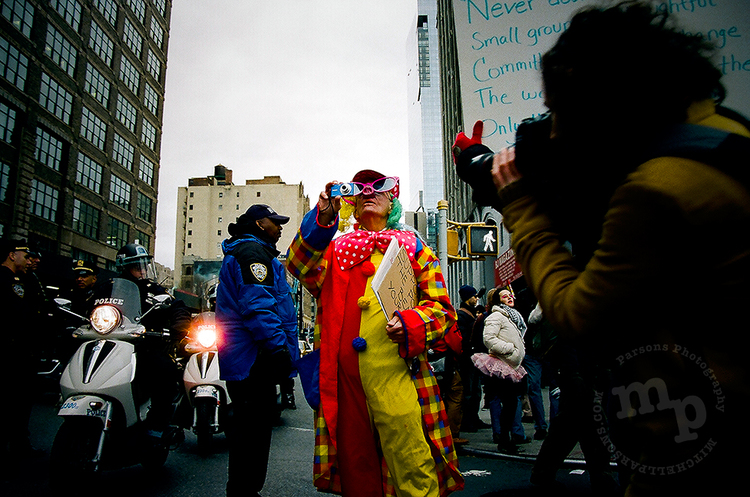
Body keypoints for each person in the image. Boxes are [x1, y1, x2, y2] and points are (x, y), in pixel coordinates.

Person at [454, 1, 750, 495]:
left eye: (558, 110)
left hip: (693, 445)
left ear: (602, 103)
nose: (554, 129)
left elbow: (578, 316)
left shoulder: (656, 189)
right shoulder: (722, 133)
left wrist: (521, 209)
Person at [286, 170, 463, 496]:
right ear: (351, 200)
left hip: (398, 374)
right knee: (357, 467)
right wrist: (323, 219)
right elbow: (298, 265)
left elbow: (443, 312)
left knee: (411, 458)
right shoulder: (336, 248)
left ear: (392, 199)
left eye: (379, 186)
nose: (370, 192)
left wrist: (413, 324)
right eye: (361, 187)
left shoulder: (415, 249)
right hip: (345, 381)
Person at [215, 204, 298, 497]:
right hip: (254, 360)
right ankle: (244, 492)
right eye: (275, 222)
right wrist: (278, 350)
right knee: (253, 434)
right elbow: (259, 307)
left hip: (249, 359)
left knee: (251, 432)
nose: (279, 227)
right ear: (260, 223)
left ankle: (244, 490)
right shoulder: (253, 254)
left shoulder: (253, 252)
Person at [115, 243, 191, 443]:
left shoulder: (153, 290)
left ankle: (158, 424)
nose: (141, 270)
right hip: (114, 347)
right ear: (123, 267)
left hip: (145, 347)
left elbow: (178, 307)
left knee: (166, 371)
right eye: (136, 266)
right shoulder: (109, 288)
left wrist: (179, 325)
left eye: (143, 265)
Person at [472, 288, 527, 454]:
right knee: (509, 404)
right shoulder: (497, 316)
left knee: (511, 404)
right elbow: (488, 339)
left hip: (511, 365)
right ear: (498, 300)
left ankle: (506, 439)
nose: (509, 298)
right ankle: (504, 440)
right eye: (505, 296)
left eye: (510, 295)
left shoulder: (510, 316)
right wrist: (510, 349)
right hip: (502, 366)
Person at [0, 238, 38, 467]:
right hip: (8, 351)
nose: (28, 259)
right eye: (24, 254)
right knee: (7, 401)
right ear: (12, 255)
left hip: (22, 351)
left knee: (21, 401)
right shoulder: (2, 279)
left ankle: (19, 445)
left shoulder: (24, 280)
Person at [455, 285, 487, 433]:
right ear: (468, 297)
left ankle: (473, 418)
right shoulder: (462, 315)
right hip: (468, 359)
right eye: (474, 296)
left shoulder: (467, 314)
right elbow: (464, 338)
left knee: (475, 390)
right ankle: (468, 420)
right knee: (469, 391)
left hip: (472, 357)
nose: (476, 298)